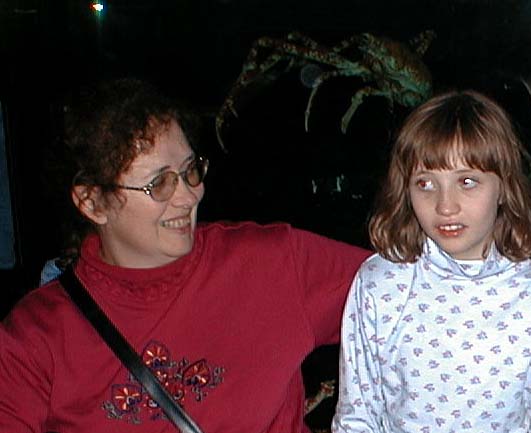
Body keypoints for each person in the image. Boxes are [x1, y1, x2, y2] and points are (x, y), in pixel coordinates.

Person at [0, 78, 371, 432]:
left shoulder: (271, 263)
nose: (190, 195)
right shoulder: (37, 337)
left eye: (190, 170)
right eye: (159, 183)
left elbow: (413, 298)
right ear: (92, 202)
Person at [333, 90, 531, 433]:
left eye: (467, 182)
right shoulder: (379, 284)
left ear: (504, 187)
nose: (445, 205)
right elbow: (356, 418)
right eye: (425, 183)